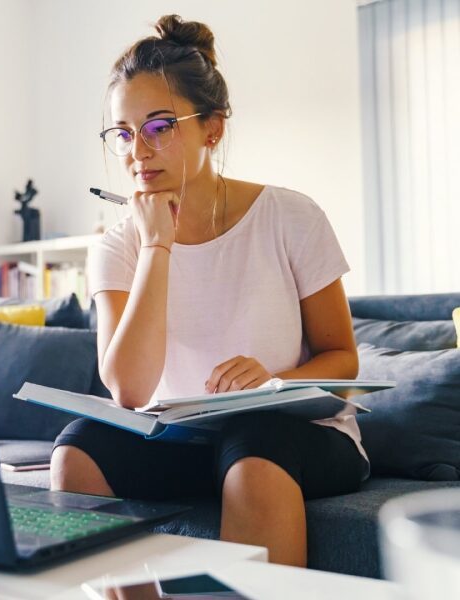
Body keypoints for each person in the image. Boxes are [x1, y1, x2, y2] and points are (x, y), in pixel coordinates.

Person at [50, 14, 368, 567]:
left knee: (253, 442)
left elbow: (343, 366)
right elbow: (128, 388)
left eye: (159, 126)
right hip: (184, 441)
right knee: (77, 447)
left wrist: (273, 381)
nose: (137, 151)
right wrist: (156, 246)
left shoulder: (291, 216)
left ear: (212, 129)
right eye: (123, 133)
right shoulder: (117, 245)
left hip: (294, 436)